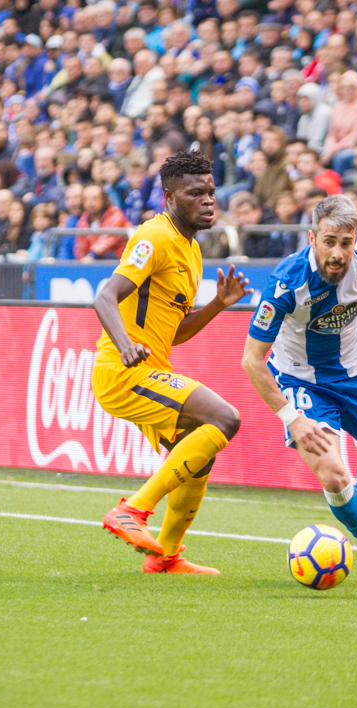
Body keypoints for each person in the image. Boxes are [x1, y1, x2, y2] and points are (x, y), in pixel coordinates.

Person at [92, 151, 251, 575]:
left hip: (150, 370)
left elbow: (175, 331)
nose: (208, 200)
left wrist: (217, 304)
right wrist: (126, 345)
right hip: (122, 371)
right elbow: (105, 297)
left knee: (199, 453)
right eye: (195, 193)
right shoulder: (155, 237)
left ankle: (165, 557)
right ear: (169, 197)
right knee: (225, 418)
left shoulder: (191, 250)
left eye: (211, 191)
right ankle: (132, 510)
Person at [240, 194, 357, 590]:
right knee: (334, 476)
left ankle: (348, 508)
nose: (338, 253)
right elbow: (252, 360)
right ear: (312, 237)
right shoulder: (287, 282)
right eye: (329, 242)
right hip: (301, 379)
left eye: (345, 243)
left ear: (356, 238)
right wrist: (292, 419)